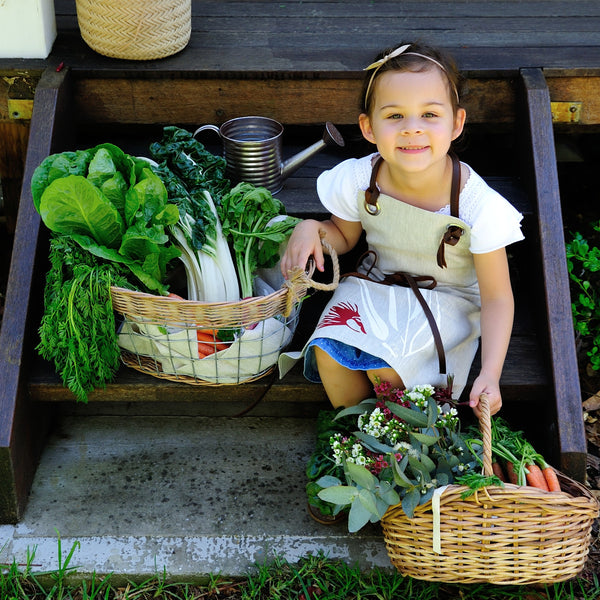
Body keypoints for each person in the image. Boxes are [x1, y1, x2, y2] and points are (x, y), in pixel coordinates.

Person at [279, 42, 524, 418]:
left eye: (429, 114)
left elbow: (496, 298)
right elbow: (343, 237)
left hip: (447, 302)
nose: (412, 129)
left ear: (456, 124)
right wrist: (312, 227)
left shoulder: (479, 208)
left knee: (388, 366)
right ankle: (356, 439)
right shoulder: (361, 179)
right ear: (369, 127)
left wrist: (490, 373)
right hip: (377, 288)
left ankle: (402, 443)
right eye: (395, 116)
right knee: (328, 350)